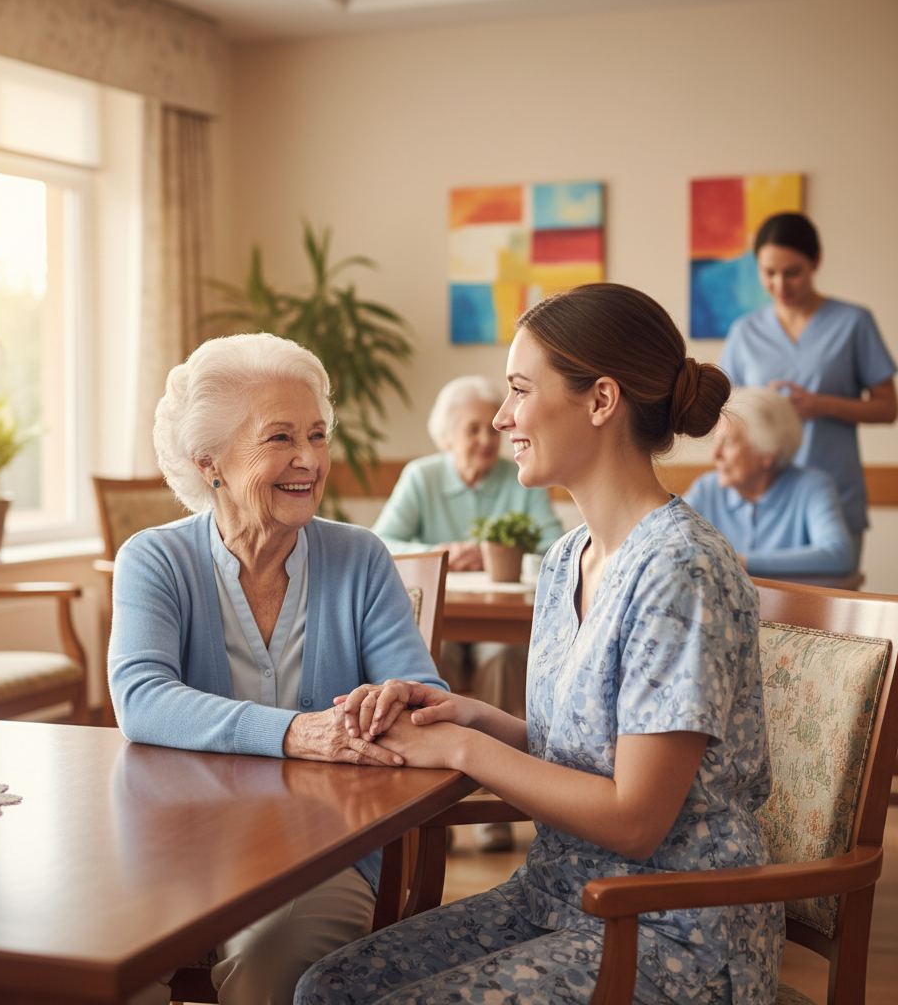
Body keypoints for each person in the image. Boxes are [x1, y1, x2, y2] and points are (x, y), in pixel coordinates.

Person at [298, 283, 784, 1005]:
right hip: (558, 895)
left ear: (600, 401)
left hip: (670, 929)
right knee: (328, 987)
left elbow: (636, 817)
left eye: (520, 390)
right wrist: (462, 714)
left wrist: (466, 752)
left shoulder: (683, 570)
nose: (501, 418)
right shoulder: (567, 560)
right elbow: (583, 753)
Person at [108, 332, 448, 1005]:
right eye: (280, 438)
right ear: (210, 463)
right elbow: (142, 699)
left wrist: (395, 702)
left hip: (322, 854)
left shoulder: (360, 559)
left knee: (270, 960)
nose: (309, 460)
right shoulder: (155, 561)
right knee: (105, 972)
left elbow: (425, 700)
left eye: (318, 436)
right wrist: (295, 732)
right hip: (179, 844)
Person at [372, 375, 564, 851]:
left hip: (495, 621)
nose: (485, 440)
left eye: (489, 430)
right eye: (472, 429)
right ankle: (433, 805)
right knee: (428, 667)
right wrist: (439, 550)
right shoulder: (423, 476)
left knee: (501, 656)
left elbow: (554, 547)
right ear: (447, 435)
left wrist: (498, 551)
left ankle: (496, 799)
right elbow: (381, 543)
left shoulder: (521, 475)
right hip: (441, 619)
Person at [720, 212, 897, 567]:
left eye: (793, 272)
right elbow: (728, 413)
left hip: (835, 490)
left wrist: (820, 405)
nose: (780, 284)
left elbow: (887, 408)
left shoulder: (853, 323)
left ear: (816, 261)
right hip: (762, 497)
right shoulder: (744, 332)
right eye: (769, 273)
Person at [685, 386, 852, 577]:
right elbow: (668, 544)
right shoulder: (706, 489)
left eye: (728, 443)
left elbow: (838, 554)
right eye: (715, 442)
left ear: (768, 452)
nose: (715, 455)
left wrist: (740, 562)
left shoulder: (813, 487)